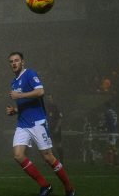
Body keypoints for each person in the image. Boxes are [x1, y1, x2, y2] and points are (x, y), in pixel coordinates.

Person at [6, 52, 75, 196]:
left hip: (37, 122)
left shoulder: (30, 74)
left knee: (48, 157)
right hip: (23, 124)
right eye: (11, 61)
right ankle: (45, 186)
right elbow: (27, 104)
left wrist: (19, 95)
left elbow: (40, 92)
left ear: (23, 62)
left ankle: (69, 188)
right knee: (18, 155)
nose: (14, 63)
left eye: (17, 60)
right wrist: (16, 110)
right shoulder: (14, 82)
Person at [44, 95, 64, 162]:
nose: (48, 99)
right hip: (49, 128)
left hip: (56, 128)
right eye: (47, 98)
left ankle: (61, 160)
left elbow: (60, 119)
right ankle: (54, 160)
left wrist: (57, 128)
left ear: (53, 99)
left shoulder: (56, 107)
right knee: (49, 145)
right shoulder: (46, 108)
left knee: (58, 145)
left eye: (49, 98)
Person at [103, 102, 119, 168]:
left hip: (111, 132)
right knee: (112, 147)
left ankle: (112, 163)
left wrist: (103, 127)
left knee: (111, 147)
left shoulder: (107, 113)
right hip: (116, 131)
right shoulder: (114, 112)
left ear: (106, 107)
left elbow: (108, 122)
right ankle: (114, 163)